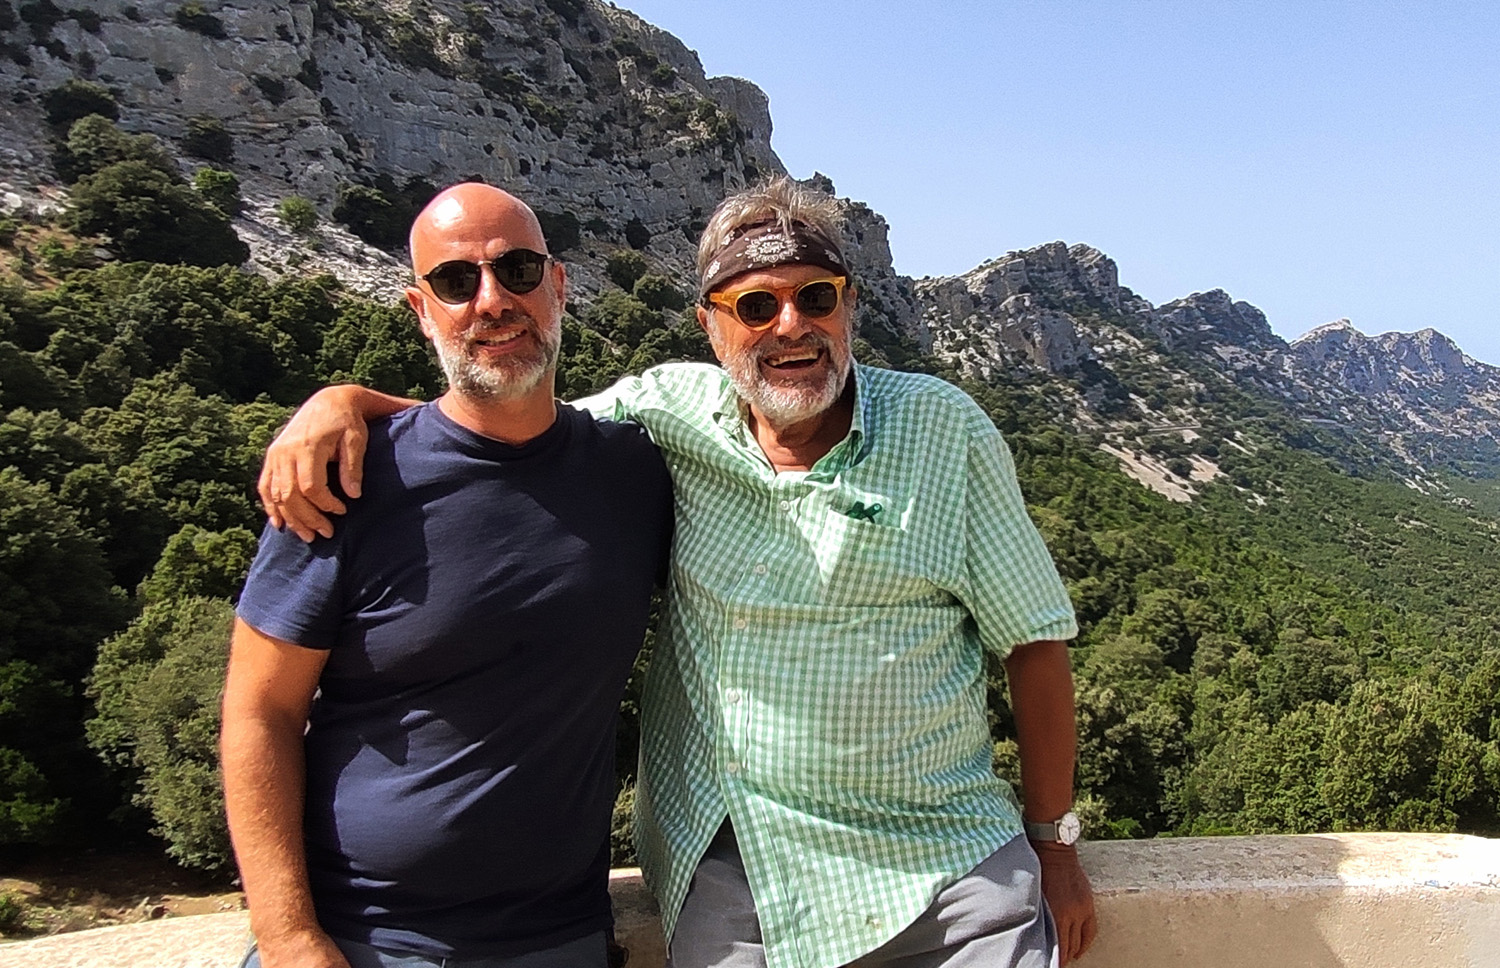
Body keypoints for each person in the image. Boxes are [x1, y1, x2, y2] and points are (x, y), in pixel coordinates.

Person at [261, 177, 1098, 968]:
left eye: (816, 297)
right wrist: (346, 402)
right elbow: (502, 418)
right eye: (756, 306)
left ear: (851, 303)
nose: (790, 327)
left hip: (947, 868)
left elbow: (1034, 639)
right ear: (712, 325)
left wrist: (1054, 844)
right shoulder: (668, 415)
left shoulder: (945, 429)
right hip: (745, 873)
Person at [221, 182, 673, 968]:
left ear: (559, 285)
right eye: (457, 282)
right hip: (367, 938)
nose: (492, 301)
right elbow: (258, 712)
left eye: (519, 270)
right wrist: (289, 937)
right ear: (420, 310)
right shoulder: (346, 481)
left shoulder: (632, 473)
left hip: (560, 939)